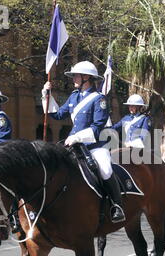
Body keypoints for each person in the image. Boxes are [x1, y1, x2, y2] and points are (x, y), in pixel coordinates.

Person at [42, 60, 125, 223]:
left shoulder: (99, 99)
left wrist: (77, 137)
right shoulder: (74, 96)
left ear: (86, 77)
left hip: (95, 145)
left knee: (105, 169)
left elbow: (97, 127)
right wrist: (47, 96)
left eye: (76, 76)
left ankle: (117, 205)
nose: (73, 78)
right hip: (73, 144)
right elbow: (58, 115)